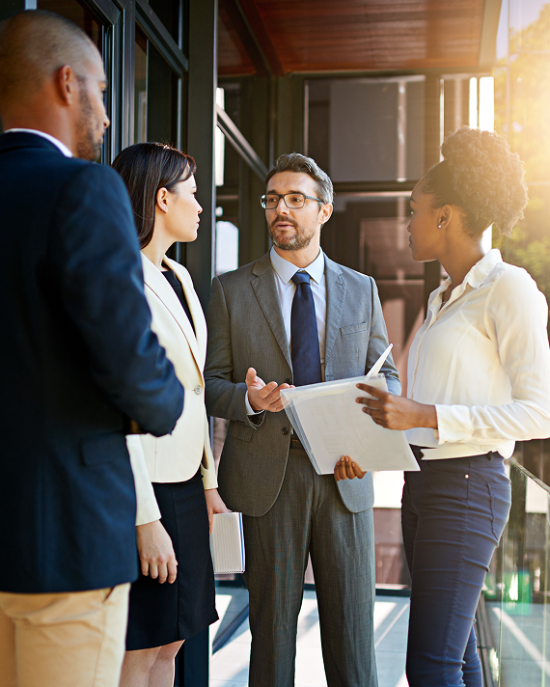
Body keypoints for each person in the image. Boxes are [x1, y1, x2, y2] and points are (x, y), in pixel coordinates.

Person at [0, 10, 184, 687]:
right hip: (66, 542)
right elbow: (138, 370)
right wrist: (163, 405)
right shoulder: (83, 188)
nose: (106, 113)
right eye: (102, 90)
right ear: (66, 82)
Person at [335, 127, 550, 687]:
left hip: (470, 486)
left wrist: (425, 415)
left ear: (447, 216)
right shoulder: (438, 299)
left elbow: (539, 411)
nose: (407, 223)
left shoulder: (510, 289)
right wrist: (370, 446)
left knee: (429, 666)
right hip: (425, 486)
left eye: (414, 211)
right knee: (459, 659)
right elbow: (416, 414)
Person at [205, 152, 400, 687]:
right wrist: (250, 402)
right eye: (272, 200)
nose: (280, 210)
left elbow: (389, 379)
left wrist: (368, 441)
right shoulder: (230, 289)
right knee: (270, 637)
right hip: (271, 478)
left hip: (346, 476)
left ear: (324, 211)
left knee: (353, 637)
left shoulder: (362, 288)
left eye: (295, 199)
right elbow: (211, 387)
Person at [112, 143, 229, 687]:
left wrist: (207, 480)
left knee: (176, 636)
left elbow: (195, 389)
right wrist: (144, 518)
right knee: (140, 645)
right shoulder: (119, 279)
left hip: (184, 482)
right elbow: (120, 404)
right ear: (162, 199)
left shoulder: (179, 280)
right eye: (194, 194)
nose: (202, 205)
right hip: (145, 488)